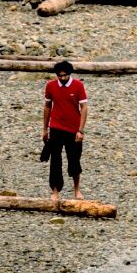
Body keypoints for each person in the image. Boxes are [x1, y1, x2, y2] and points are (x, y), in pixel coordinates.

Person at [41, 60, 88, 203]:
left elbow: (84, 108)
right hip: (56, 128)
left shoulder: (78, 86)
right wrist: (45, 128)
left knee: (74, 160)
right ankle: (55, 191)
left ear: (69, 74)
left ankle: (77, 189)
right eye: (59, 76)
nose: (62, 78)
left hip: (73, 130)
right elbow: (47, 106)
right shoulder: (50, 86)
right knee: (55, 160)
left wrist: (80, 131)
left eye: (65, 75)